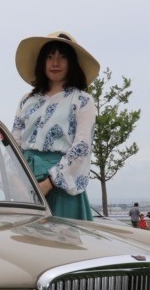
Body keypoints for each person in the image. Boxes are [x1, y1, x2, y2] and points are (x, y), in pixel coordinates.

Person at [12, 31, 100, 220]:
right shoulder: (26, 100)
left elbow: (82, 147)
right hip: (24, 186)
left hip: (61, 188)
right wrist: (16, 180)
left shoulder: (82, 100)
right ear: (42, 62)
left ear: (72, 63)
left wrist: (49, 183)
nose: (55, 63)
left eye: (62, 57)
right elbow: (13, 143)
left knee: (61, 246)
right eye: (50, 57)